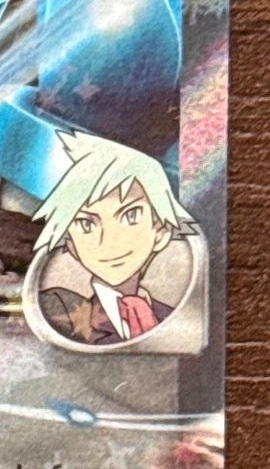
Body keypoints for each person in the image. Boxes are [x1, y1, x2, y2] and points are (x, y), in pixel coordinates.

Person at [32, 134, 197, 346]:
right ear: (71, 244)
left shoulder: (173, 316)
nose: (108, 242)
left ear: (161, 232)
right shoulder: (61, 307)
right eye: (86, 224)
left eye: (131, 216)